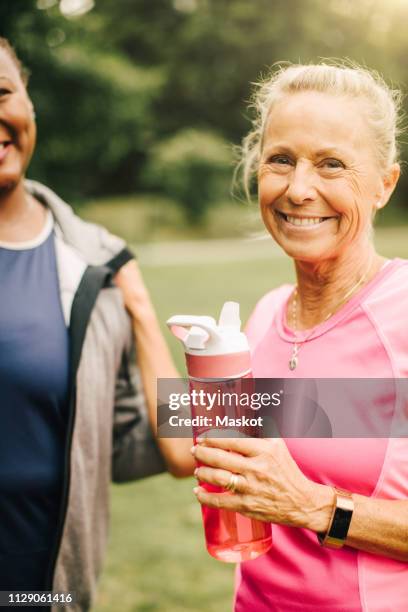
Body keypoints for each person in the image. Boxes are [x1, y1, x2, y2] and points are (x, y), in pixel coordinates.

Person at [184, 63, 408, 611]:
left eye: (332, 164)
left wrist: (314, 506)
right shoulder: (260, 318)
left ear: (384, 183)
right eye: (281, 160)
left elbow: (296, 497)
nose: (299, 188)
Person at [0, 37, 194, 611]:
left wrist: (275, 402)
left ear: (29, 104)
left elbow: (132, 442)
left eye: (3, 92)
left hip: (42, 595)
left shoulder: (97, 263)